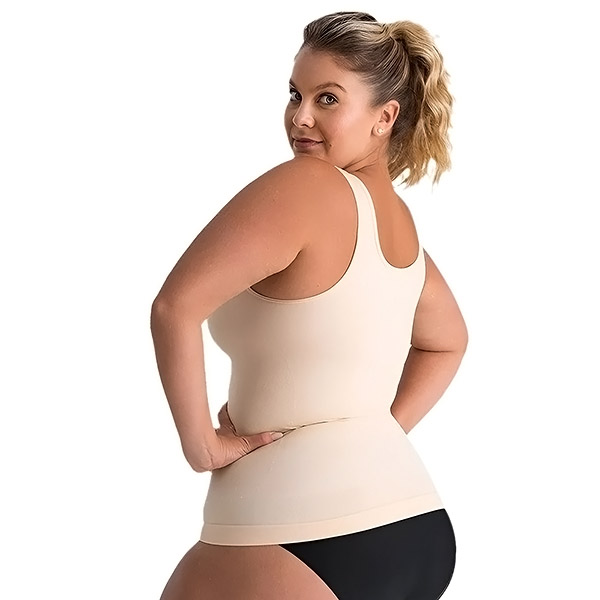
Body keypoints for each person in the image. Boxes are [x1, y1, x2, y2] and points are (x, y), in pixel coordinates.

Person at [150, 10, 468, 600]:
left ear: (385, 118)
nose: (300, 116)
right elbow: (448, 341)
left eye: (327, 99)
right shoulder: (398, 225)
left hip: (293, 527)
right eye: (295, 94)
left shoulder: (307, 185)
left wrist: (203, 447)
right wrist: (373, 433)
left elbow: (174, 307)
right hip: (413, 522)